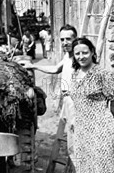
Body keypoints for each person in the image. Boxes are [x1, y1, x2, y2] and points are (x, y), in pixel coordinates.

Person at [69, 38, 114, 173]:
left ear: (92, 52)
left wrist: (109, 122)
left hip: (101, 129)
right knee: (85, 168)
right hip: (81, 130)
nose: (81, 57)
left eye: (85, 52)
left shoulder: (102, 74)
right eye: (77, 54)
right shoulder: (75, 74)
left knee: (102, 169)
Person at [26, 24, 77, 158]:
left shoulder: (79, 57)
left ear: (75, 39)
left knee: (76, 138)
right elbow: (55, 69)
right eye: (62, 40)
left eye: (68, 39)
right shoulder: (67, 56)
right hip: (67, 99)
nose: (65, 43)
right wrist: (33, 66)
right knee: (70, 139)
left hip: (76, 101)